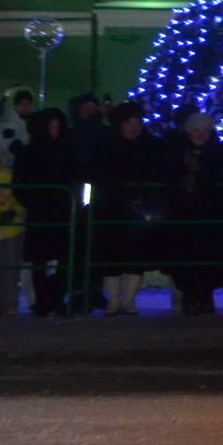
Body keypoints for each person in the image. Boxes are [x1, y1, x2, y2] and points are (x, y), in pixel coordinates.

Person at [91, 103, 163, 316]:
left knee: (136, 256)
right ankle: (114, 301)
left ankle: (129, 300)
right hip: (111, 209)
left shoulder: (149, 147)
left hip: (138, 210)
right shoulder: (106, 146)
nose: (134, 127)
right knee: (111, 256)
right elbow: (97, 175)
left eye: (137, 122)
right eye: (129, 122)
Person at [163, 112, 223, 316]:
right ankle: (190, 295)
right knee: (187, 255)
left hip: (211, 213)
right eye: (196, 130)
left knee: (209, 255)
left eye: (205, 130)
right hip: (184, 215)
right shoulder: (177, 153)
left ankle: (205, 295)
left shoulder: (218, 153)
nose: (201, 134)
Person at [13, 107, 75, 317]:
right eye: (51, 127)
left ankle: (55, 299)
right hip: (40, 214)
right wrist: (33, 202)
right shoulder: (30, 153)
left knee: (61, 260)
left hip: (62, 214)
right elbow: (19, 184)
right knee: (40, 260)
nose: (55, 131)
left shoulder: (66, 151)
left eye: (58, 126)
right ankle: (43, 300)